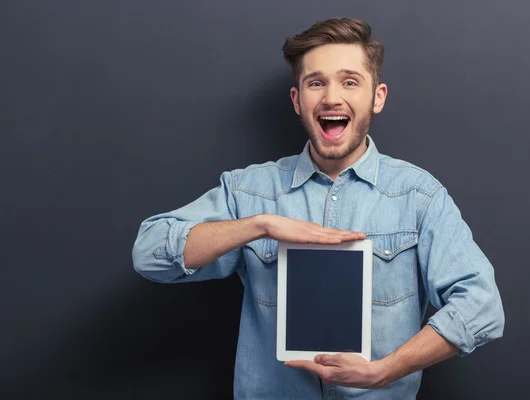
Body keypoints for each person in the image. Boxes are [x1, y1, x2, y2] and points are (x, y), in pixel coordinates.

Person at [132, 17, 504, 399]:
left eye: (350, 81)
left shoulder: (419, 196)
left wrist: (383, 371)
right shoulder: (249, 191)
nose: (331, 97)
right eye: (316, 83)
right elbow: (149, 253)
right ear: (297, 100)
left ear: (377, 96)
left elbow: (482, 307)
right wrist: (260, 225)